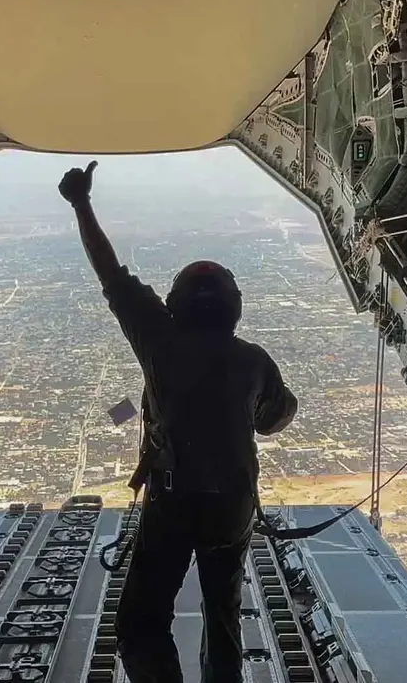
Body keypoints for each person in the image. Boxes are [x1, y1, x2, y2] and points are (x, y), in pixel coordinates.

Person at [58, 161, 298, 683]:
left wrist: (81, 202)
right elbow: (278, 418)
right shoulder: (254, 361)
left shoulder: (160, 343)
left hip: (173, 505)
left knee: (141, 624)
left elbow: (111, 273)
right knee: (223, 619)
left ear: (175, 305)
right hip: (232, 509)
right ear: (233, 310)